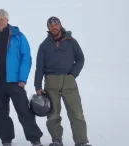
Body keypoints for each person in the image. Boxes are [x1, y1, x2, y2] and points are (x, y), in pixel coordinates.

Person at [0, 9, 43, 146]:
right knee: (0, 113)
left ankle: (35, 139)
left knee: (24, 111)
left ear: (7, 20)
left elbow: (26, 58)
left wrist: (22, 79)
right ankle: (6, 139)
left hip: (15, 82)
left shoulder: (18, 36)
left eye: (1, 19)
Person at [34, 16, 91, 146]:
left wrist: (73, 74)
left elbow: (80, 59)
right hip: (51, 81)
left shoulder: (71, 41)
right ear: (48, 28)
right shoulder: (44, 45)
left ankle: (81, 141)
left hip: (68, 80)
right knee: (53, 113)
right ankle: (56, 140)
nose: (54, 27)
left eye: (56, 24)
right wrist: (37, 86)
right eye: (51, 25)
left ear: (60, 25)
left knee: (76, 112)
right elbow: (39, 67)